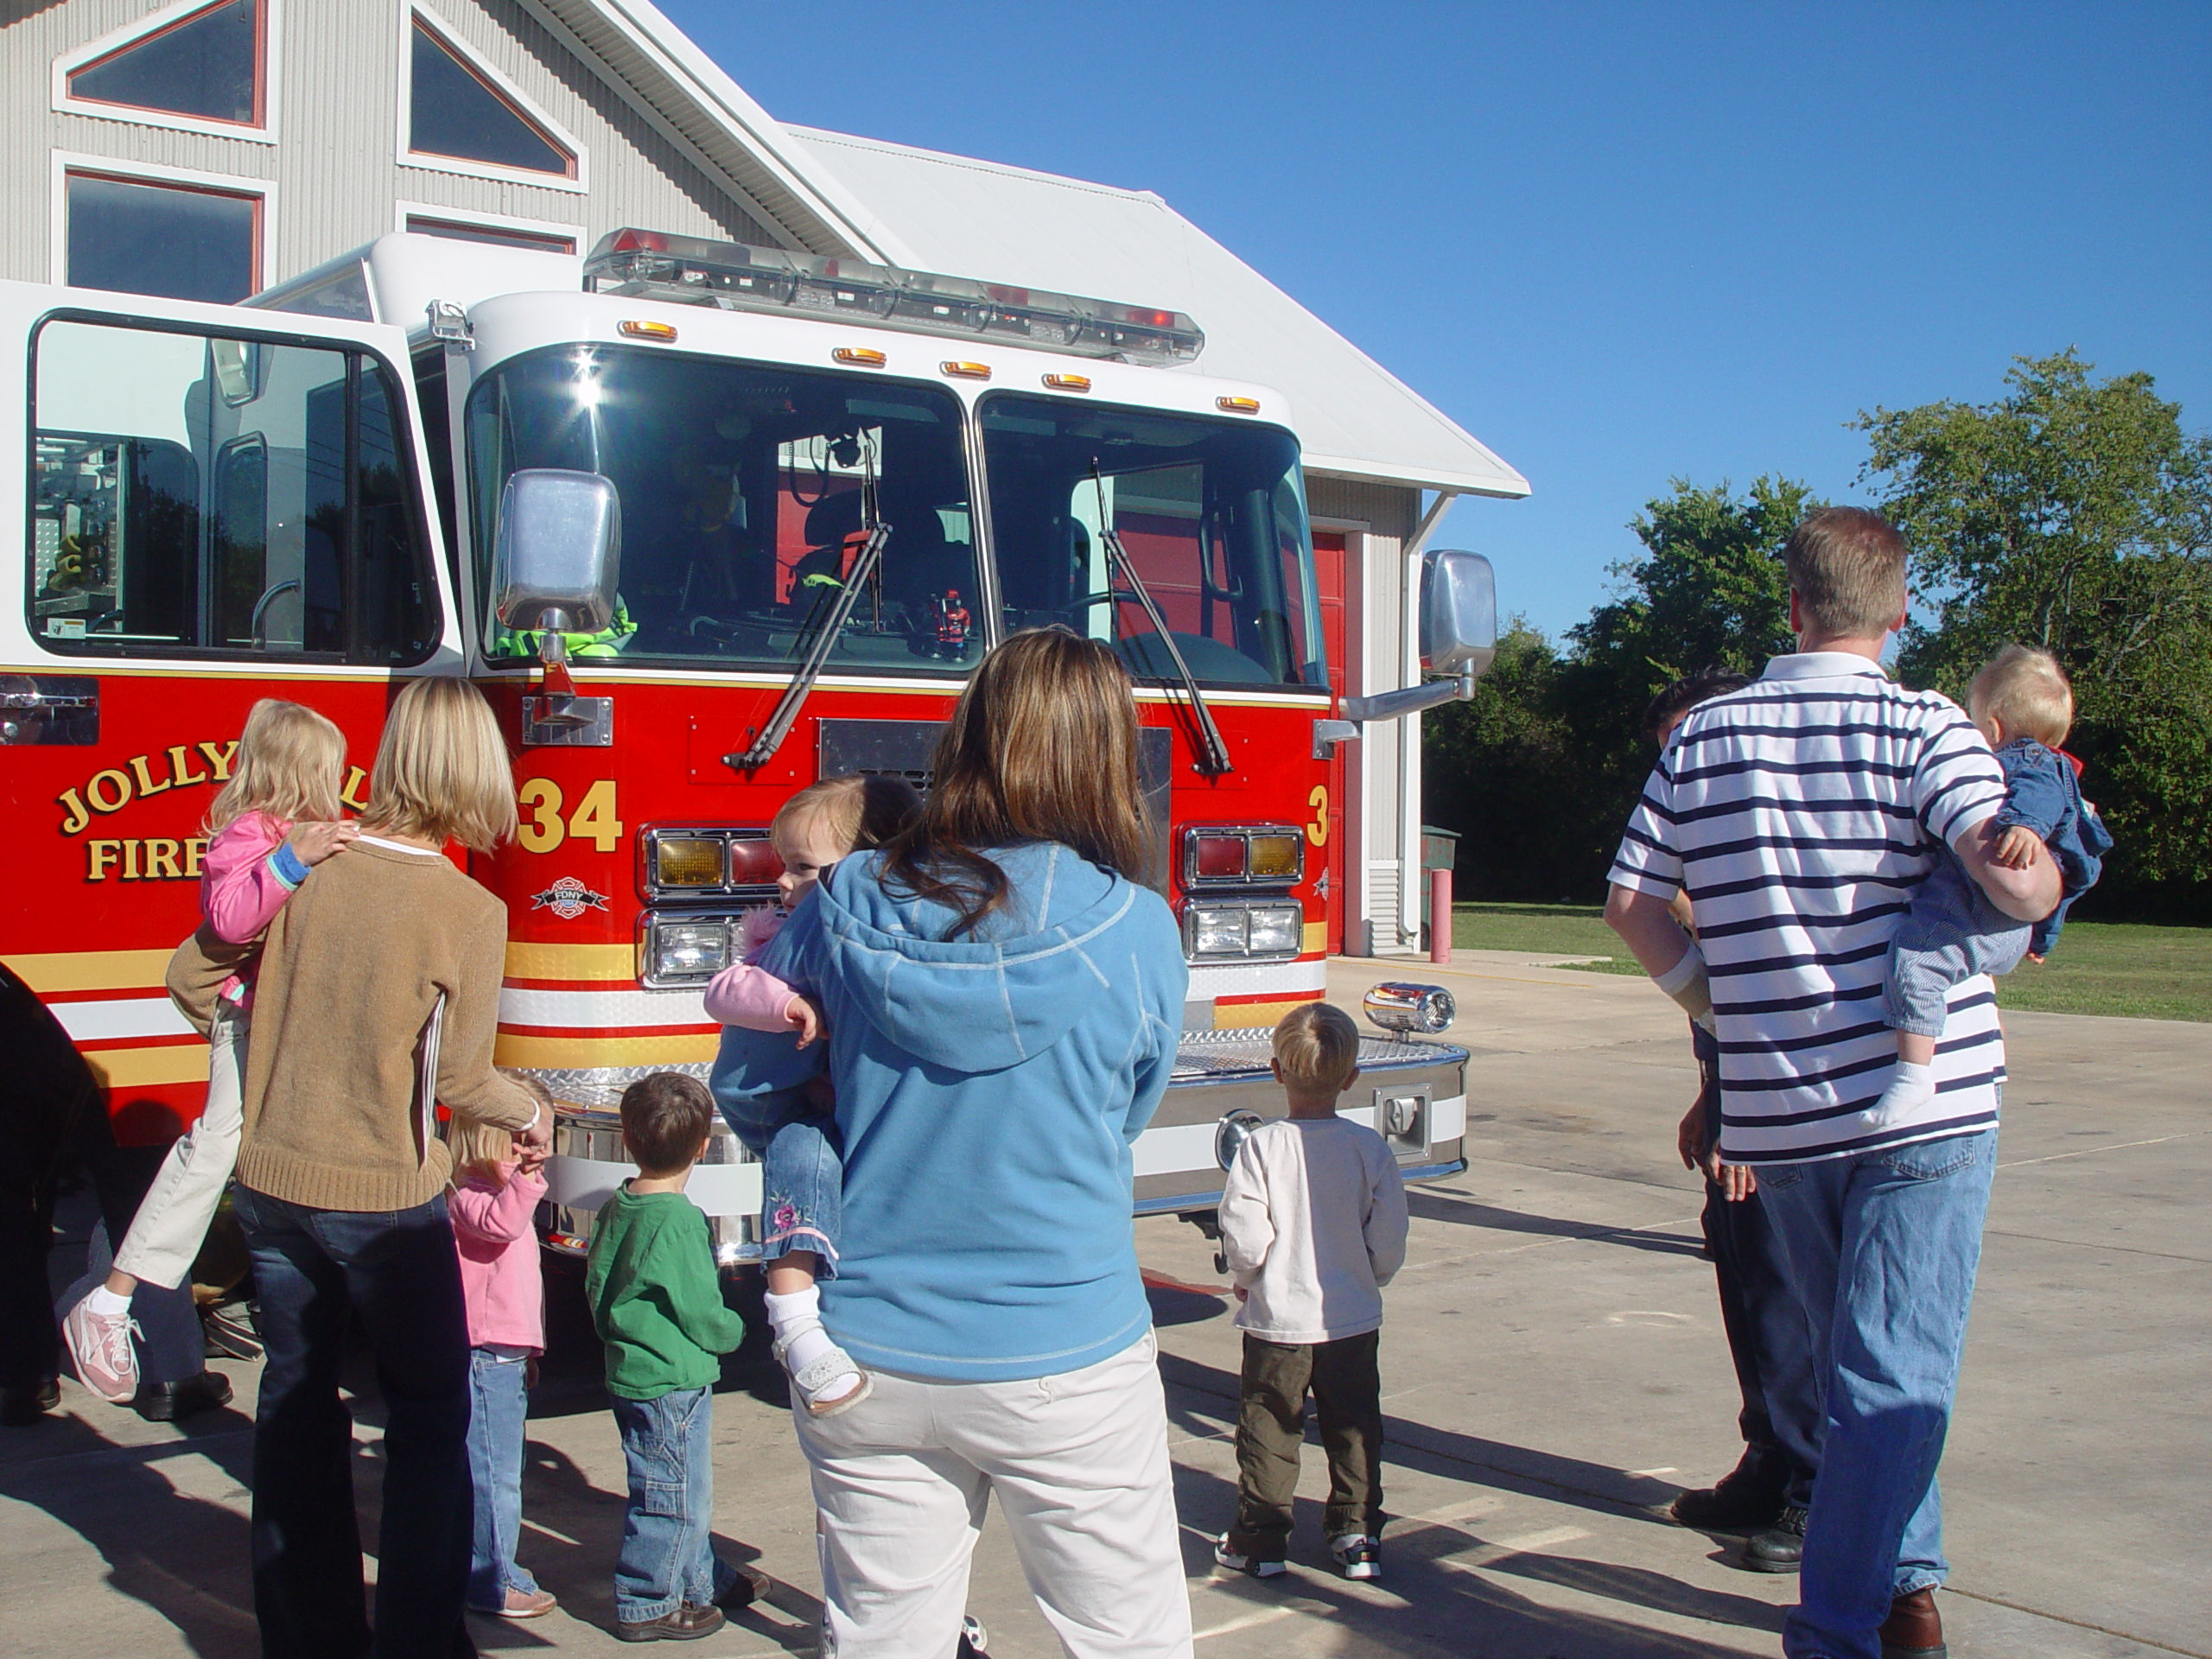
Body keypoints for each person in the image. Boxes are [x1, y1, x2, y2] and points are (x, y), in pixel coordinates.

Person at [1605, 507, 2060, 1659]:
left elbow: (1632, 906)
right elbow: (2005, 879)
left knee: (1864, 1373)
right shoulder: (1929, 728)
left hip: (1782, 1116)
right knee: (1889, 1381)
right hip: (1931, 1107)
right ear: (1900, 608)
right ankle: (1839, 1630)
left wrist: (1720, 1005)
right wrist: (2042, 876)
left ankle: (1907, 1591)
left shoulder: (1703, 737)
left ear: (1792, 605)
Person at [711, 626, 1193, 1658]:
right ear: (1108, 760)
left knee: (883, 1637)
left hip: (866, 1347)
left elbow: (749, 1087)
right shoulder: (1138, 928)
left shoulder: (837, 902)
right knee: (1127, 1638)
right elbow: (1128, 1114)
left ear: (966, 738)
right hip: (1067, 1348)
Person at [224, 676, 550, 1659]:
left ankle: (306, 1637)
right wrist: (533, 1113)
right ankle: (417, 1640)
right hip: (384, 1200)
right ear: (477, 774)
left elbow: (191, 973)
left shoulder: (307, 857)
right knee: (427, 1419)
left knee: (293, 1404)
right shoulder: (466, 906)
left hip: (271, 1182)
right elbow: (459, 1078)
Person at [61, 699, 359, 1406]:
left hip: (299, 1021)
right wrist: (293, 858)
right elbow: (229, 919)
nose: (339, 778)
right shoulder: (247, 835)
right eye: (329, 766)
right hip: (247, 1018)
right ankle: (109, 1301)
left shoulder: (312, 834)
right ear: (297, 770)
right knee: (213, 1147)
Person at [1638, 671, 1825, 1573]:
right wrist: (1709, 1101)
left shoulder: (1764, 845)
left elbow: (1780, 1003)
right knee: (1749, 1291)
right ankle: (1768, 1458)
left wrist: (1744, 1117)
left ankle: (1813, 1492)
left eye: (1690, 740)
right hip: (1737, 1104)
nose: (1681, 762)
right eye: (1669, 748)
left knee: (1791, 1302)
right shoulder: (1694, 840)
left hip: (1784, 1119)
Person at [702, 772, 922, 1417]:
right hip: (797, 1111)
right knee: (801, 1156)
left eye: (805, 867)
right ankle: (793, 1318)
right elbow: (721, 991)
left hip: (840, 1108)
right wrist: (786, 1001)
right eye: (787, 866)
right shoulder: (782, 936)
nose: (784, 883)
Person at [1866, 644, 2112, 1127]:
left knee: (1916, 959)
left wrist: (2024, 826)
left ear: (1993, 728)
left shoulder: (2026, 761)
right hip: (2001, 922)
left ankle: (1914, 1072)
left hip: (1985, 913)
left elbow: (2036, 797)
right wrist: (2044, 935)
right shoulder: (2053, 766)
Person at [1211, 1001, 1408, 1585]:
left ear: (1276, 1070)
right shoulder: (1369, 1148)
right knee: (1354, 1426)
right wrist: (1371, 1276)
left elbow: (1246, 1237)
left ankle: (1262, 1539)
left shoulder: (1261, 1147)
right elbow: (1389, 1235)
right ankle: (1357, 1533)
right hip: (1351, 1318)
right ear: (1351, 1077)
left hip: (1278, 1323)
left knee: (1270, 1426)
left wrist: (1247, 1282)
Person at [0, 963, 213, 1427]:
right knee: (139, 1180)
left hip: (13, 992)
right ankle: (171, 1366)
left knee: (10, 1192)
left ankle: (17, 1373)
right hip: (109, 976)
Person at [584, 1071, 755, 1643]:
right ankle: (647, 1599)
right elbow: (700, 1307)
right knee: (673, 1495)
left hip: (630, 1372)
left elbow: (597, 1282)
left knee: (671, 1486)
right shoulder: (679, 1220)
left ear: (628, 1140)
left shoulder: (620, 1206)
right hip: (673, 1379)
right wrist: (734, 1330)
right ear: (703, 1146)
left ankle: (702, 1580)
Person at [447, 1089, 556, 1621]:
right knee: (493, 1473)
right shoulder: (468, 1193)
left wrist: (528, 1351)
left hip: (503, 1353)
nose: (531, 1152)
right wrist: (527, 1179)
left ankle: (489, 1567)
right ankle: (492, 1577)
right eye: (521, 1140)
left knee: (496, 1465)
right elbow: (501, 1225)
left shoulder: (495, 1191)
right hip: (485, 1354)